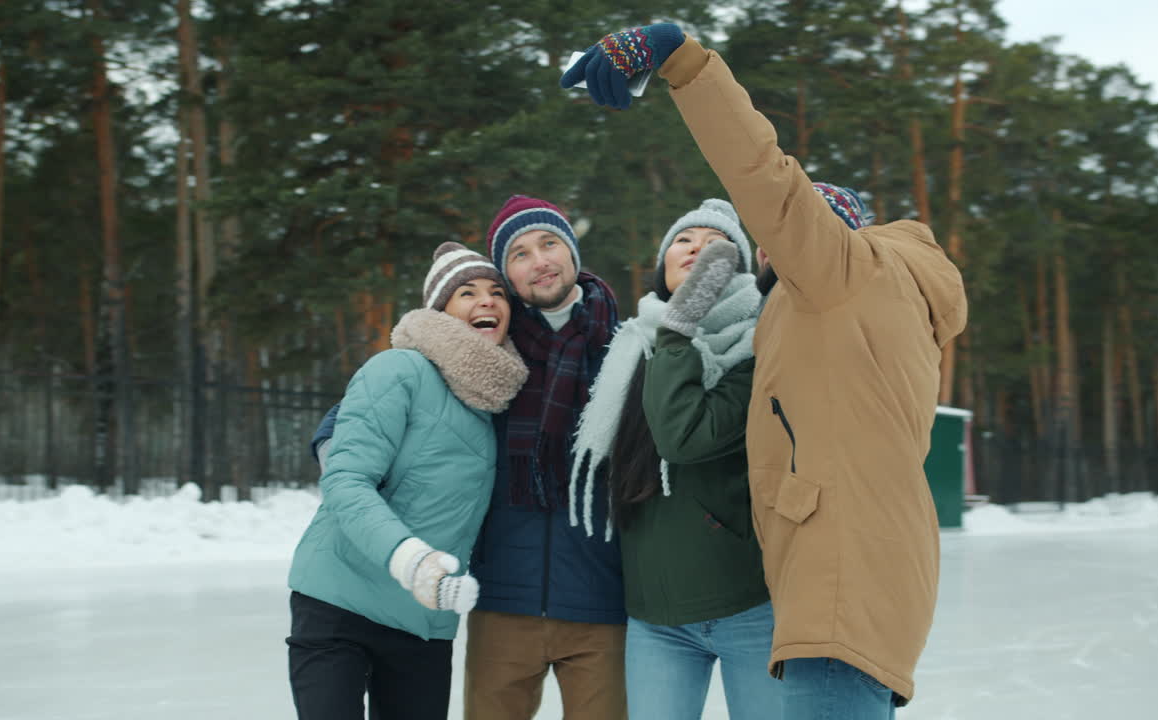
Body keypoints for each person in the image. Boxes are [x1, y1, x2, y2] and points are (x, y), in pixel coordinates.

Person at [562, 23, 969, 717]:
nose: (770, 252)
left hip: (831, 592)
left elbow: (765, 178)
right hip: (846, 583)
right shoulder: (857, 313)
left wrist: (682, 59)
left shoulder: (840, 273)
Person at [311, 195, 627, 719]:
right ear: (508, 273)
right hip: (501, 600)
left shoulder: (624, 348)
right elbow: (356, 415)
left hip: (600, 600)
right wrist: (347, 472)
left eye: (549, 243)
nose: (540, 260)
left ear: (572, 253)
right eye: (521, 253)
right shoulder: (486, 356)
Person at [286, 242, 528, 720]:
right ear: (439, 309)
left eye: (497, 291)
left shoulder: (501, 401)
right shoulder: (400, 369)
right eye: (467, 292)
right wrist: (411, 559)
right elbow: (347, 481)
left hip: (423, 624)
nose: (487, 301)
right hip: (340, 604)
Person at [569, 197, 777, 720]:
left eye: (716, 246)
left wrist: (680, 329)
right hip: (653, 616)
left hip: (747, 606)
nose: (698, 250)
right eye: (684, 241)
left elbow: (684, 436)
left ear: (741, 268)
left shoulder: (760, 347)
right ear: (662, 263)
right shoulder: (631, 345)